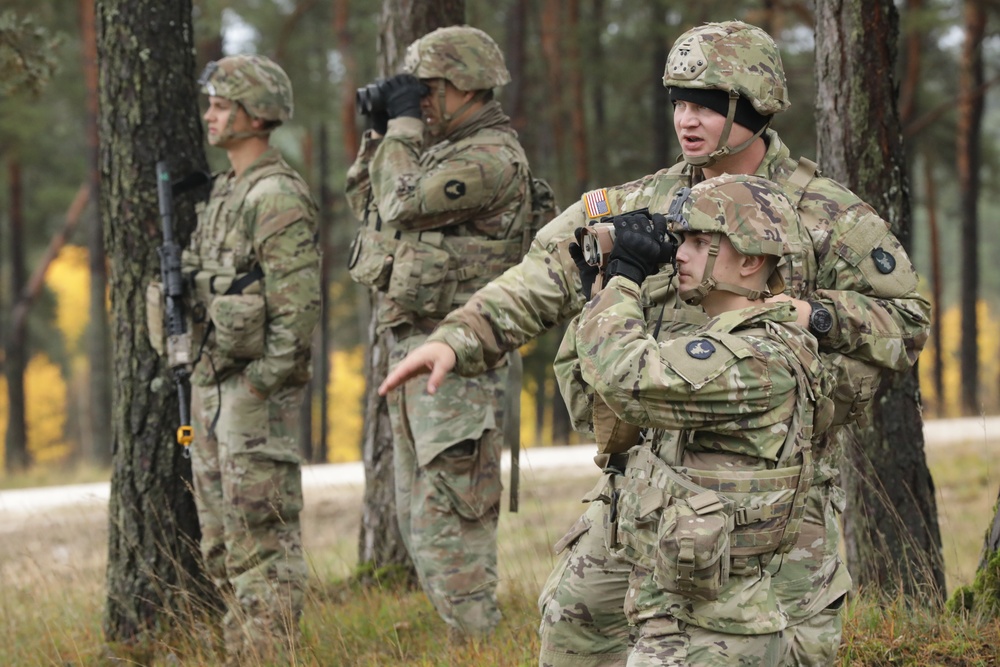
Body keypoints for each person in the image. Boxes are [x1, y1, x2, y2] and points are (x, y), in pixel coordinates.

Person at [380, 20, 930, 666]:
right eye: (678, 102)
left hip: (766, 500)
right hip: (640, 482)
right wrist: (461, 335)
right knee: (573, 631)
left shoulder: (824, 213)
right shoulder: (642, 201)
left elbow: (906, 318)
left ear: (752, 104)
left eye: (705, 104)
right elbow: (545, 273)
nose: (686, 120)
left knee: (767, 648)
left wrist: (814, 314)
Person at [568, 173, 833, 664]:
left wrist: (625, 278)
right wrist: (603, 291)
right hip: (687, 616)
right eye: (679, 239)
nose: (678, 254)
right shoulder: (723, 343)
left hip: (716, 634)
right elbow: (598, 395)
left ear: (752, 260)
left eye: (697, 240)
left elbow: (628, 375)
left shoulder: (758, 357)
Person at [345, 25, 536, 641]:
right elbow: (372, 206)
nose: (420, 102)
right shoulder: (438, 152)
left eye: (427, 89)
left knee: (451, 523)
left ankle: (480, 646)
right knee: (420, 521)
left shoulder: (488, 159)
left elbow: (398, 203)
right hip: (422, 354)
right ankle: (469, 643)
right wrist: (381, 133)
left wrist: (398, 133)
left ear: (463, 86)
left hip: (462, 359)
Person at [183, 54, 320, 663]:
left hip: (250, 398)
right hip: (211, 390)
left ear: (253, 115)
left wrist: (260, 388)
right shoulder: (225, 192)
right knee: (220, 545)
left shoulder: (275, 196)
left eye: (220, 104)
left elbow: (297, 314)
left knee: (262, 547)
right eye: (211, 103)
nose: (210, 115)